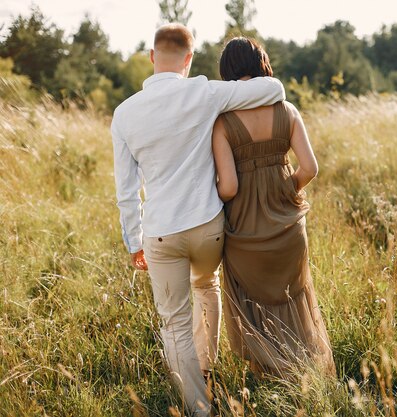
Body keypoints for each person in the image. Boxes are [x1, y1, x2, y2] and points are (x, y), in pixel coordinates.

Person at [111, 24, 285, 416]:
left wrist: (134, 242)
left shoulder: (124, 114)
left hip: (159, 235)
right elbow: (274, 90)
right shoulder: (203, 92)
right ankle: (208, 367)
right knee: (206, 286)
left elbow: (126, 190)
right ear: (189, 59)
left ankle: (198, 406)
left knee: (173, 322)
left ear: (153, 57)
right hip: (208, 229)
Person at [212, 37, 335, 378]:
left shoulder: (222, 121)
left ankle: (269, 377)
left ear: (228, 72)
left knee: (252, 303)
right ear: (262, 63)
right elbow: (309, 168)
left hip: (244, 230)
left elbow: (230, 187)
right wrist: (282, 189)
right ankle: (304, 375)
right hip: (287, 225)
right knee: (294, 297)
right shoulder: (287, 110)